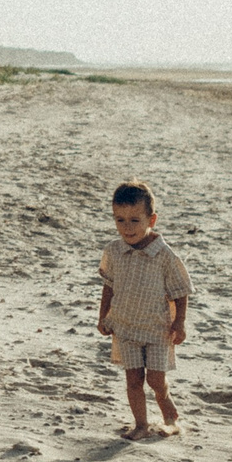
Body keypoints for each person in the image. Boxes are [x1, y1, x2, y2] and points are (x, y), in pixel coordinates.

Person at [97, 180, 191, 439]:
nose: (127, 228)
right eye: (120, 220)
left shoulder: (164, 255)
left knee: (155, 380)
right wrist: (103, 316)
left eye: (135, 220)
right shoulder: (114, 251)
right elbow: (108, 286)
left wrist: (179, 323)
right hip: (125, 327)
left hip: (157, 329)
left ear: (152, 220)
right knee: (134, 380)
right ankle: (141, 424)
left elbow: (180, 291)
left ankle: (167, 405)